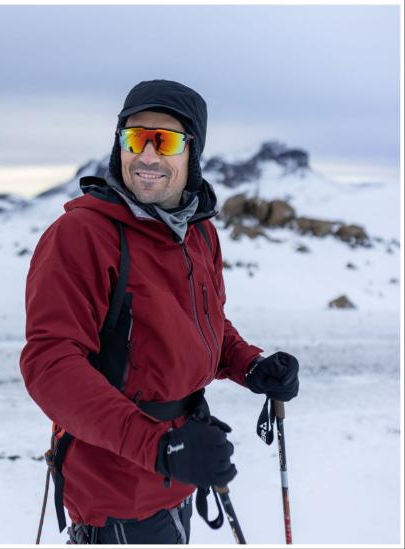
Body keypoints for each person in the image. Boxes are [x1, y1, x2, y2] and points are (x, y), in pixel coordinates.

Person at [20, 79, 299, 544]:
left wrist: (250, 366)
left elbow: (204, 324)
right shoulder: (82, 235)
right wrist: (159, 448)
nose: (146, 156)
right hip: (117, 493)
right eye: (135, 138)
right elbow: (50, 364)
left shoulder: (198, 233)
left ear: (192, 152)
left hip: (179, 468)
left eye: (164, 141)